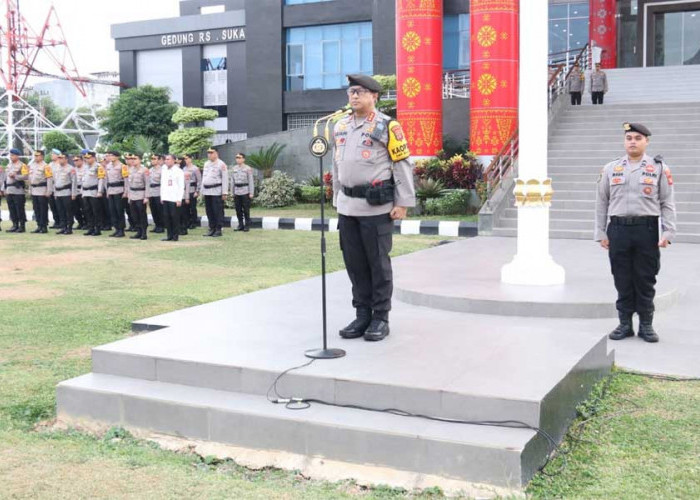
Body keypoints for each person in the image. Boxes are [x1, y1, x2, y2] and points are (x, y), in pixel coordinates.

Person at [332, 74, 416, 342]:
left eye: (359, 92)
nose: (353, 96)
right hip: (348, 206)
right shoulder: (340, 126)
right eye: (350, 92)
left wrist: (403, 202)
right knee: (354, 264)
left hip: (375, 207)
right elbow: (337, 166)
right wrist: (336, 197)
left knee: (377, 265)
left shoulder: (387, 126)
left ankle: (380, 317)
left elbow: (402, 164)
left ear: (374, 96)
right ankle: (362, 314)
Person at [595, 123, 676, 343]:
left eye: (638, 138)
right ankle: (624, 324)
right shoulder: (611, 168)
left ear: (646, 141)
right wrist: (601, 231)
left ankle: (646, 325)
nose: (633, 141)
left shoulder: (658, 168)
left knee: (645, 278)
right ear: (624, 141)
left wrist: (668, 231)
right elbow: (602, 201)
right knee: (621, 277)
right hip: (618, 229)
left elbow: (667, 201)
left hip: (646, 229)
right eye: (629, 138)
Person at [201, 148, 228, 237]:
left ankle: (218, 229)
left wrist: (224, 192)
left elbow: (225, 179)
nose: (209, 154)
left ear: (216, 153)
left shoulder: (221, 164)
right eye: (208, 153)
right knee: (209, 211)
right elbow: (204, 178)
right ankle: (211, 228)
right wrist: (202, 190)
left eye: (211, 153)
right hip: (207, 190)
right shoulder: (206, 164)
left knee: (217, 211)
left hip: (216, 190)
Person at [160, 154, 185, 242]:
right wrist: (162, 196)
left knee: (174, 217)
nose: (166, 161)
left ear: (174, 160)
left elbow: (181, 186)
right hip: (166, 197)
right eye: (166, 159)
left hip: (174, 198)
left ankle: (175, 236)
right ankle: (169, 235)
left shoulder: (178, 171)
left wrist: (179, 199)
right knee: (166, 217)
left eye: (168, 159)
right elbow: (163, 184)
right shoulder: (164, 170)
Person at [125, 153, 150, 240]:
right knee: (134, 214)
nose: (133, 160)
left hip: (141, 194)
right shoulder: (130, 169)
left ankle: (144, 233)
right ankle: (138, 231)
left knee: (142, 214)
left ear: (140, 160)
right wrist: (128, 195)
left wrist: (146, 197)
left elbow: (147, 184)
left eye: (135, 158)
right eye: (132, 159)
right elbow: (129, 184)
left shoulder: (144, 170)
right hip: (132, 194)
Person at [80, 151, 105, 236]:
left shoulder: (98, 167)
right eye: (86, 158)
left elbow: (101, 179)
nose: (87, 159)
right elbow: (83, 180)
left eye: (89, 158)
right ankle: (91, 228)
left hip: (94, 191)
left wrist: (100, 191)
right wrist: (82, 191)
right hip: (86, 192)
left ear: (94, 158)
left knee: (96, 211)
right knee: (87, 211)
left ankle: (97, 229)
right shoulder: (85, 167)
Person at [104, 151, 128, 237]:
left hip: (119, 191)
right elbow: (106, 180)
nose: (110, 157)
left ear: (117, 157)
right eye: (109, 155)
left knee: (119, 210)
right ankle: (116, 228)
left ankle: (121, 230)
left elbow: (126, 180)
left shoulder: (123, 166)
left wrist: (126, 192)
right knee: (112, 210)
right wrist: (107, 191)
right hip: (111, 191)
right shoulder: (108, 166)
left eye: (112, 155)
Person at [28, 150, 53, 234]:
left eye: (37, 156)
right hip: (34, 190)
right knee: (36, 209)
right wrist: (30, 190)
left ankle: (44, 226)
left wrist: (49, 191)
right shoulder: (32, 165)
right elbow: (30, 179)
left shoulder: (46, 166)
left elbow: (49, 179)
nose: (35, 157)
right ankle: (39, 225)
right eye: (35, 155)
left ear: (42, 156)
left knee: (43, 209)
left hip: (42, 190)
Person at [53, 153, 78, 235]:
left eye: (62, 158)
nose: (60, 159)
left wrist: (73, 194)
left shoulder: (71, 169)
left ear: (66, 159)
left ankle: (69, 228)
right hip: (58, 192)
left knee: (68, 211)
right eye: (59, 158)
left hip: (67, 192)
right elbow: (55, 181)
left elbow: (74, 182)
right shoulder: (56, 168)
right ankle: (63, 227)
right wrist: (55, 193)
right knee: (61, 211)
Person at [5, 148, 29, 233]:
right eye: (10, 155)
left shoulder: (22, 165)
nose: (11, 157)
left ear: (17, 156)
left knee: (19, 209)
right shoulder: (9, 165)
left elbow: (26, 176)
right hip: (9, 189)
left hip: (18, 190)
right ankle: (14, 224)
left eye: (13, 155)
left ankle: (22, 226)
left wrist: (16, 176)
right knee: (12, 209)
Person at [230, 152, 254, 232]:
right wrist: (232, 192)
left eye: (239, 157)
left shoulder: (248, 168)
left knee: (246, 209)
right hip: (237, 191)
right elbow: (232, 181)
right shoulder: (234, 168)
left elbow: (251, 181)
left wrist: (251, 192)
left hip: (245, 190)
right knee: (238, 209)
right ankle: (240, 225)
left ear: (243, 159)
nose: (238, 159)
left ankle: (247, 225)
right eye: (237, 157)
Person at [183, 154, 202, 229]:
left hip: (192, 189)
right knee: (186, 208)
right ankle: (187, 222)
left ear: (191, 159)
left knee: (193, 208)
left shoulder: (195, 169)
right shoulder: (184, 168)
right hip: (185, 190)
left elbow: (199, 180)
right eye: (184, 159)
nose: (185, 160)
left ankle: (194, 222)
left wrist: (197, 191)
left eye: (187, 158)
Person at [148, 154, 165, 234]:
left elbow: (163, 183)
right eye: (152, 159)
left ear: (158, 160)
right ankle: (157, 225)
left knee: (159, 210)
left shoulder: (162, 170)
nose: (153, 160)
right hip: (151, 192)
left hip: (158, 191)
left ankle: (161, 226)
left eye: (154, 159)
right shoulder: (150, 170)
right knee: (153, 210)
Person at [72, 155, 87, 230]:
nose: (75, 162)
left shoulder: (86, 168)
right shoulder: (74, 169)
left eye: (77, 160)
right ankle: (80, 223)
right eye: (74, 161)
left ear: (82, 160)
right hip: (75, 191)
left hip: (83, 190)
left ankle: (87, 223)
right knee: (75, 209)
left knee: (85, 209)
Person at [48, 149, 61, 228]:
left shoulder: (60, 164)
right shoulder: (50, 164)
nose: (52, 155)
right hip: (51, 188)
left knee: (59, 206)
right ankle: (56, 221)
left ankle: (61, 222)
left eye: (53, 154)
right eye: (51, 154)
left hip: (58, 188)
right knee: (52, 206)